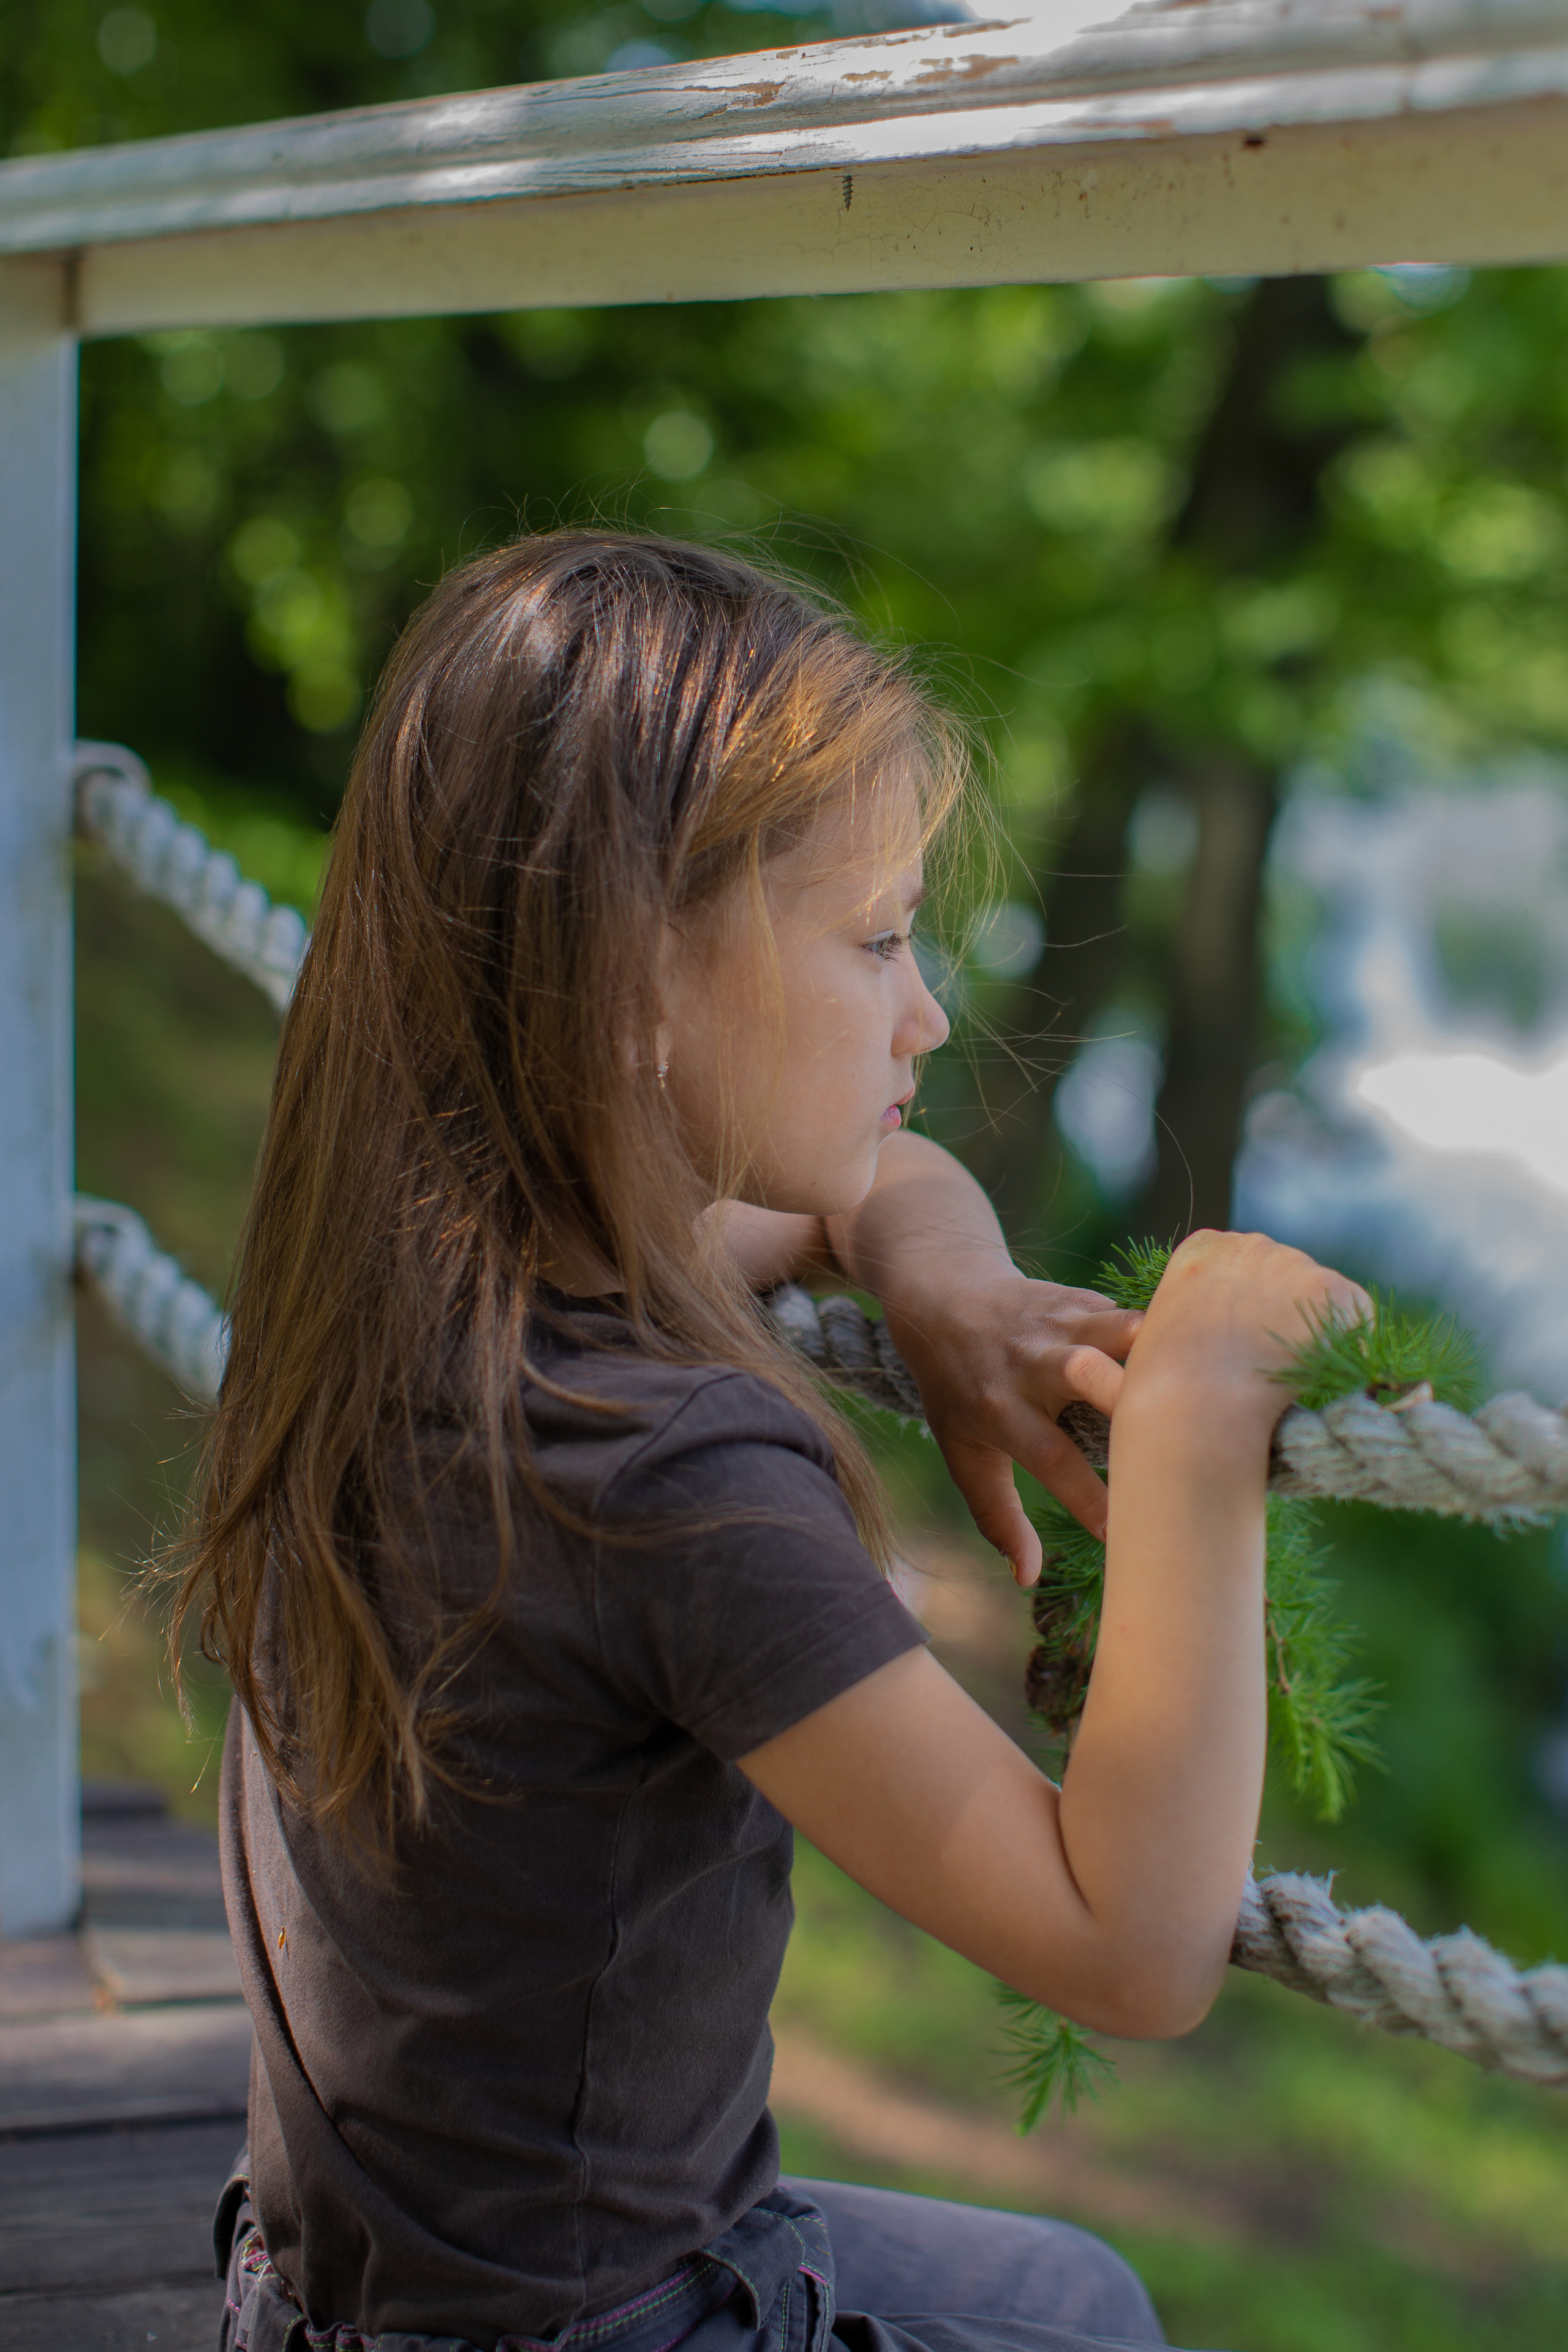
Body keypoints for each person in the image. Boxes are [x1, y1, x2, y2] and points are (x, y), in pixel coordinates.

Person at [178, 530, 1363, 2352]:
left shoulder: (413, 1271)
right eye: (877, 940)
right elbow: (1128, 1949)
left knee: (1074, 2295)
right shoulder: (660, 1478)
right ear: (630, 980)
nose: (928, 1012)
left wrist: (950, 1284)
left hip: (331, 2294)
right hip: (586, 2325)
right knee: (1086, 2318)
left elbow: (852, 1191)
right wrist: (1199, 1430)